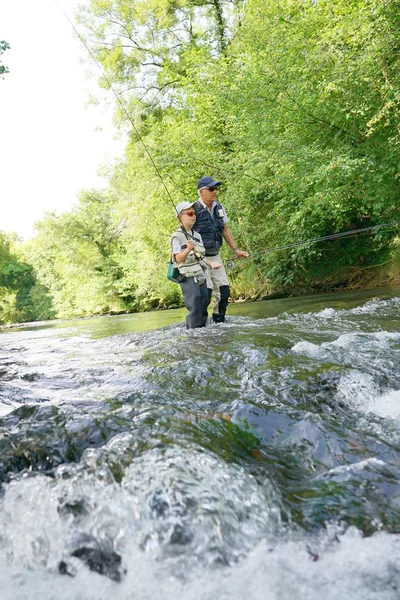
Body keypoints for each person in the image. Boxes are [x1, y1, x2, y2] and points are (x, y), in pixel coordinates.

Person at [192, 176, 249, 323]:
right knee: (207, 291)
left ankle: (218, 321)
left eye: (215, 188)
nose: (214, 191)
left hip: (215, 256)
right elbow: (186, 234)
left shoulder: (218, 207)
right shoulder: (192, 210)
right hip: (200, 258)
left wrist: (236, 250)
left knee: (224, 291)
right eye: (211, 189)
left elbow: (225, 230)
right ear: (201, 192)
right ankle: (200, 324)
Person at [171, 201, 222, 329]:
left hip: (200, 274)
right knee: (195, 305)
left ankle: (203, 332)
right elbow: (177, 259)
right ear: (180, 217)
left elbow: (201, 256)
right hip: (187, 277)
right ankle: (193, 335)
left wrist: (211, 264)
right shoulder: (177, 237)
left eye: (194, 213)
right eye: (189, 213)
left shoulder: (197, 235)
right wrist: (187, 249)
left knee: (204, 302)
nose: (193, 215)